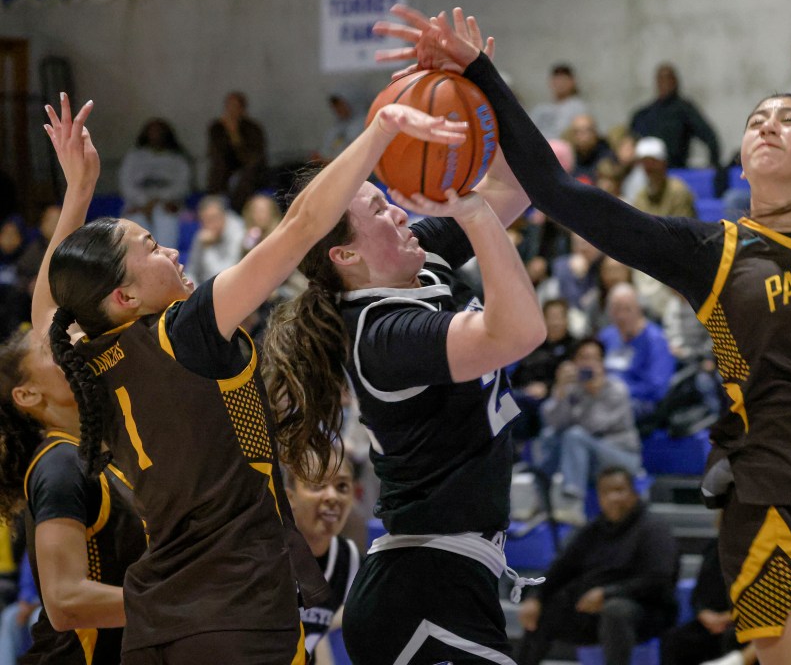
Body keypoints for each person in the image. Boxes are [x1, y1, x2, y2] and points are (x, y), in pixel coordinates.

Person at [377, 6, 791, 664]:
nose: (767, 123)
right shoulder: (709, 250)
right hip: (779, 514)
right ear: (741, 163)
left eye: (789, 117)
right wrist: (481, 72)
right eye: (755, 121)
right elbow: (557, 191)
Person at [45, 91, 467, 662]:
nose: (170, 249)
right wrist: (378, 133)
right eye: (151, 247)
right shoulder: (182, 331)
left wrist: (77, 195)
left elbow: (49, 309)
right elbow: (301, 226)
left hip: (155, 623)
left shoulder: (87, 359)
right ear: (126, 296)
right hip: (241, 611)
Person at [261, 13, 546, 665]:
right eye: (380, 211)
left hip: (446, 577)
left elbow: (518, 184)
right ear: (347, 259)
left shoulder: (422, 263)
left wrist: (480, 84)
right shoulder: (382, 334)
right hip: (422, 586)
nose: (399, 207)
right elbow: (520, 331)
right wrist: (471, 213)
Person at [0, 95, 147, 664]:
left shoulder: (106, 441)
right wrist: (183, 601)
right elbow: (63, 602)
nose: (65, 338)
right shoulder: (60, 465)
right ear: (28, 394)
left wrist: (80, 189)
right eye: (49, 347)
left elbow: (51, 310)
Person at [516, 466, 677, 665]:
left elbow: (659, 581)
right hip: (592, 611)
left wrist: (607, 593)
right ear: (599, 497)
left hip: (646, 612)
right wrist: (536, 596)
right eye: (606, 492)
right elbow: (562, 568)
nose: (613, 498)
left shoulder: (653, 528)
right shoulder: (594, 529)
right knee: (543, 610)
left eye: (619, 490)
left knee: (615, 610)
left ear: (634, 493)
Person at [537, 338, 642, 525]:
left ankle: (573, 503)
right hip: (586, 455)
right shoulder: (571, 388)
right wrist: (560, 392)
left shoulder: (616, 389)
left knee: (575, 435)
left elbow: (595, 427)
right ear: (574, 363)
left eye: (594, 358)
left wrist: (594, 394)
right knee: (550, 437)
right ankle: (539, 492)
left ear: (602, 363)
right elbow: (553, 423)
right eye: (583, 358)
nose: (589, 363)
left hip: (621, 456)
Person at [282, 446, 360, 664]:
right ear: (291, 498)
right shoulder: (270, 554)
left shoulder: (349, 556)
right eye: (317, 485)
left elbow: (317, 636)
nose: (332, 496)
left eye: (342, 486)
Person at [598, 283, 675, 420]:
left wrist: (619, 391)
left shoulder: (656, 340)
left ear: (639, 309)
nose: (621, 316)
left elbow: (658, 389)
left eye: (627, 309)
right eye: (616, 310)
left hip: (640, 403)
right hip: (603, 397)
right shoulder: (606, 336)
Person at [118, 118, 192, 250]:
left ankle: (167, 260)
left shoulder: (177, 158)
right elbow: (126, 184)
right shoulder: (134, 157)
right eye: (152, 132)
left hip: (168, 205)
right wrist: (144, 203)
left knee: (166, 218)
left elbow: (183, 186)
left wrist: (159, 201)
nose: (156, 136)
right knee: (134, 222)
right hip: (138, 206)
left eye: (160, 132)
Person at [631, 63, 720, 169]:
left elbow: (709, 137)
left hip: (676, 170)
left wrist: (714, 166)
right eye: (661, 80)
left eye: (668, 79)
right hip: (648, 172)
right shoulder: (643, 115)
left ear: (675, 82)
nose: (665, 84)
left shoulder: (684, 110)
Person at [206, 91, 268, 211]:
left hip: (249, 172)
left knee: (247, 175)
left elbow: (253, 157)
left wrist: (235, 136)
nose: (232, 110)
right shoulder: (217, 128)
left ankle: (237, 210)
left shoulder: (253, 128)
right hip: (225, 171)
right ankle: (217, 205)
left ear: (243, 109)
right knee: (219, 170)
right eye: (229, 106)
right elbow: (216, 153)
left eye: (236, 106)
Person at [183, 194, 246, 284]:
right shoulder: (202, 234)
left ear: (224, 216)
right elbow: (191, 271)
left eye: (213, 218)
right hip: (206, 291)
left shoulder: (239, 233)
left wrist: (208, 248)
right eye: (205, 220)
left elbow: (223, 275)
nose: (210, 224)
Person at [631, 137, 696, 218]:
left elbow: (683, 226)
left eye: (653, 162)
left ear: (664, 163)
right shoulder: (641, 196)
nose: (649, 167)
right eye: (645, 162)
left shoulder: (678, 191)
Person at [530, 63, 589, 140]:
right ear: (550, 82)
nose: (560, 84)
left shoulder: (579, 108)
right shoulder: (541, 108)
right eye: (557, 80)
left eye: (564, 80)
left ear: (572, 82)